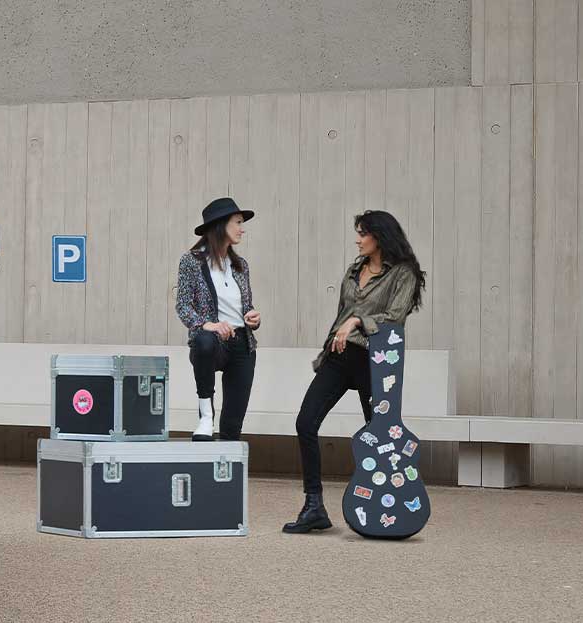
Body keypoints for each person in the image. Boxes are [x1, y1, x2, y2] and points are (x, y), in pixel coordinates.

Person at [284, 210, 425, 534]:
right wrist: (332, 342)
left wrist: (358, 321)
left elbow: (395, 318)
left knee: (380, 438)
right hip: (340, 356)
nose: (358, 240)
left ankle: (387, 507)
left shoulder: (403, 273)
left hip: (374, 362)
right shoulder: (354, 270)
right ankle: (314, 506)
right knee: (305, 422)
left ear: (380, 237)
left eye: (363, 234)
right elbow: (342, 316)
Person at [174, 197, 263, 442]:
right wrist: (207, 325)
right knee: (204, 341)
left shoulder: (240, 265)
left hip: (242, 341)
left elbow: (245, 305)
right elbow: (183, 305)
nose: (242, 229)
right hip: (213, 342)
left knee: (233, 426)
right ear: (221, 224)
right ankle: (205, 417)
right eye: (238, 222)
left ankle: (226, 463)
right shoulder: (192, 261)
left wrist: (253, 317)